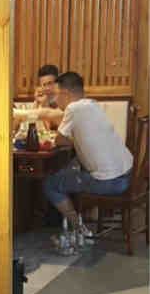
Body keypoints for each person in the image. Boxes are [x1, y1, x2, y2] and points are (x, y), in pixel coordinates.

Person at [43, 71, 133, 235]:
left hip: (110, 183)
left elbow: (59, 140)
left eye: (56, 94)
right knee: (70, 169)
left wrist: (73, 141)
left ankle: (78, 228)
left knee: (51, 183)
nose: (55, 100)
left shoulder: (73, 108)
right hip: (128, 176)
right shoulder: (92, 104)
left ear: (65, 93)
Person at [13, 63, 63, 129]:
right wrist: (37, 102)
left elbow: (52, 129)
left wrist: (44, 105)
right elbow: (31, 125)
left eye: (50, 83)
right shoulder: (39, 102)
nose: (47, 88)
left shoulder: (63, 102)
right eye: (44, 85)